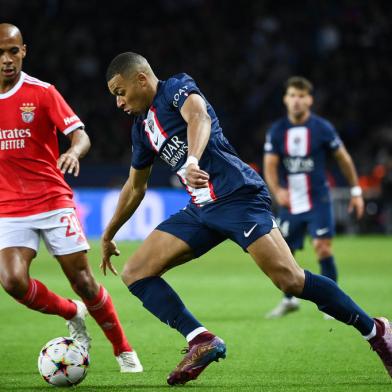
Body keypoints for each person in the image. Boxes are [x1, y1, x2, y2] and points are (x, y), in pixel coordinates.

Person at [101, 51, 392, 385]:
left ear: (141, 78)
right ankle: (200, 340)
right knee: (136, 272)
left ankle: (377, 331)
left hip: (237, 196)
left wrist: (193, 160)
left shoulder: (176, 88)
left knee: (291, 280)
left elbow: (199, 118)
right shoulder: (141, 129)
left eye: (120, 92)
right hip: (201, 209)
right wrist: (109, 234)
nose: (118, 102)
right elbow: (135, 186)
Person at [0, 24, 142, 373]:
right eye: (0, 53)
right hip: (8, 206)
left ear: (24, 51)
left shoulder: (43, 92)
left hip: (51, 199)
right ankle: (72, 312)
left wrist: (74, 152)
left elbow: (80, 135)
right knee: (13, 281)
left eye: (13, 51)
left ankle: (122, 348)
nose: (6, 60)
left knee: (83, 280)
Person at [263, 76, 365, 319]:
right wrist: (277, 191)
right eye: (292, 96)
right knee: (284, 252)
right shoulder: (277, 131)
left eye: (301, 96)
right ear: (285, 100)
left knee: (322, 248)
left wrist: (356, 191)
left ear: (309, 100)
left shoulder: (322, 128)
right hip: (291, 201)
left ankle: (333, 303)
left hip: (318, 199)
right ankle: (289, 301)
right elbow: (270, 165)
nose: (296, 101)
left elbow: (344, 159)